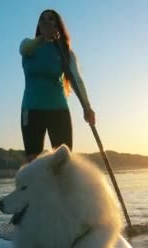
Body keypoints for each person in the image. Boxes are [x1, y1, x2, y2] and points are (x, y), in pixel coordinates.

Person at [19, 9, 95, 163]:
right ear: (39, 25)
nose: (46, 21)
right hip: (31, 111)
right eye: (43, 19)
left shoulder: (65, 52)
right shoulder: (28, 45)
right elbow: (24, 50)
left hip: (58, 110)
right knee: (33, 161)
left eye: (51, 19)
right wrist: (43, 38)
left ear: (58, 26)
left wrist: (86, 107)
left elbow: (76, 80)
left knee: (64, 162)